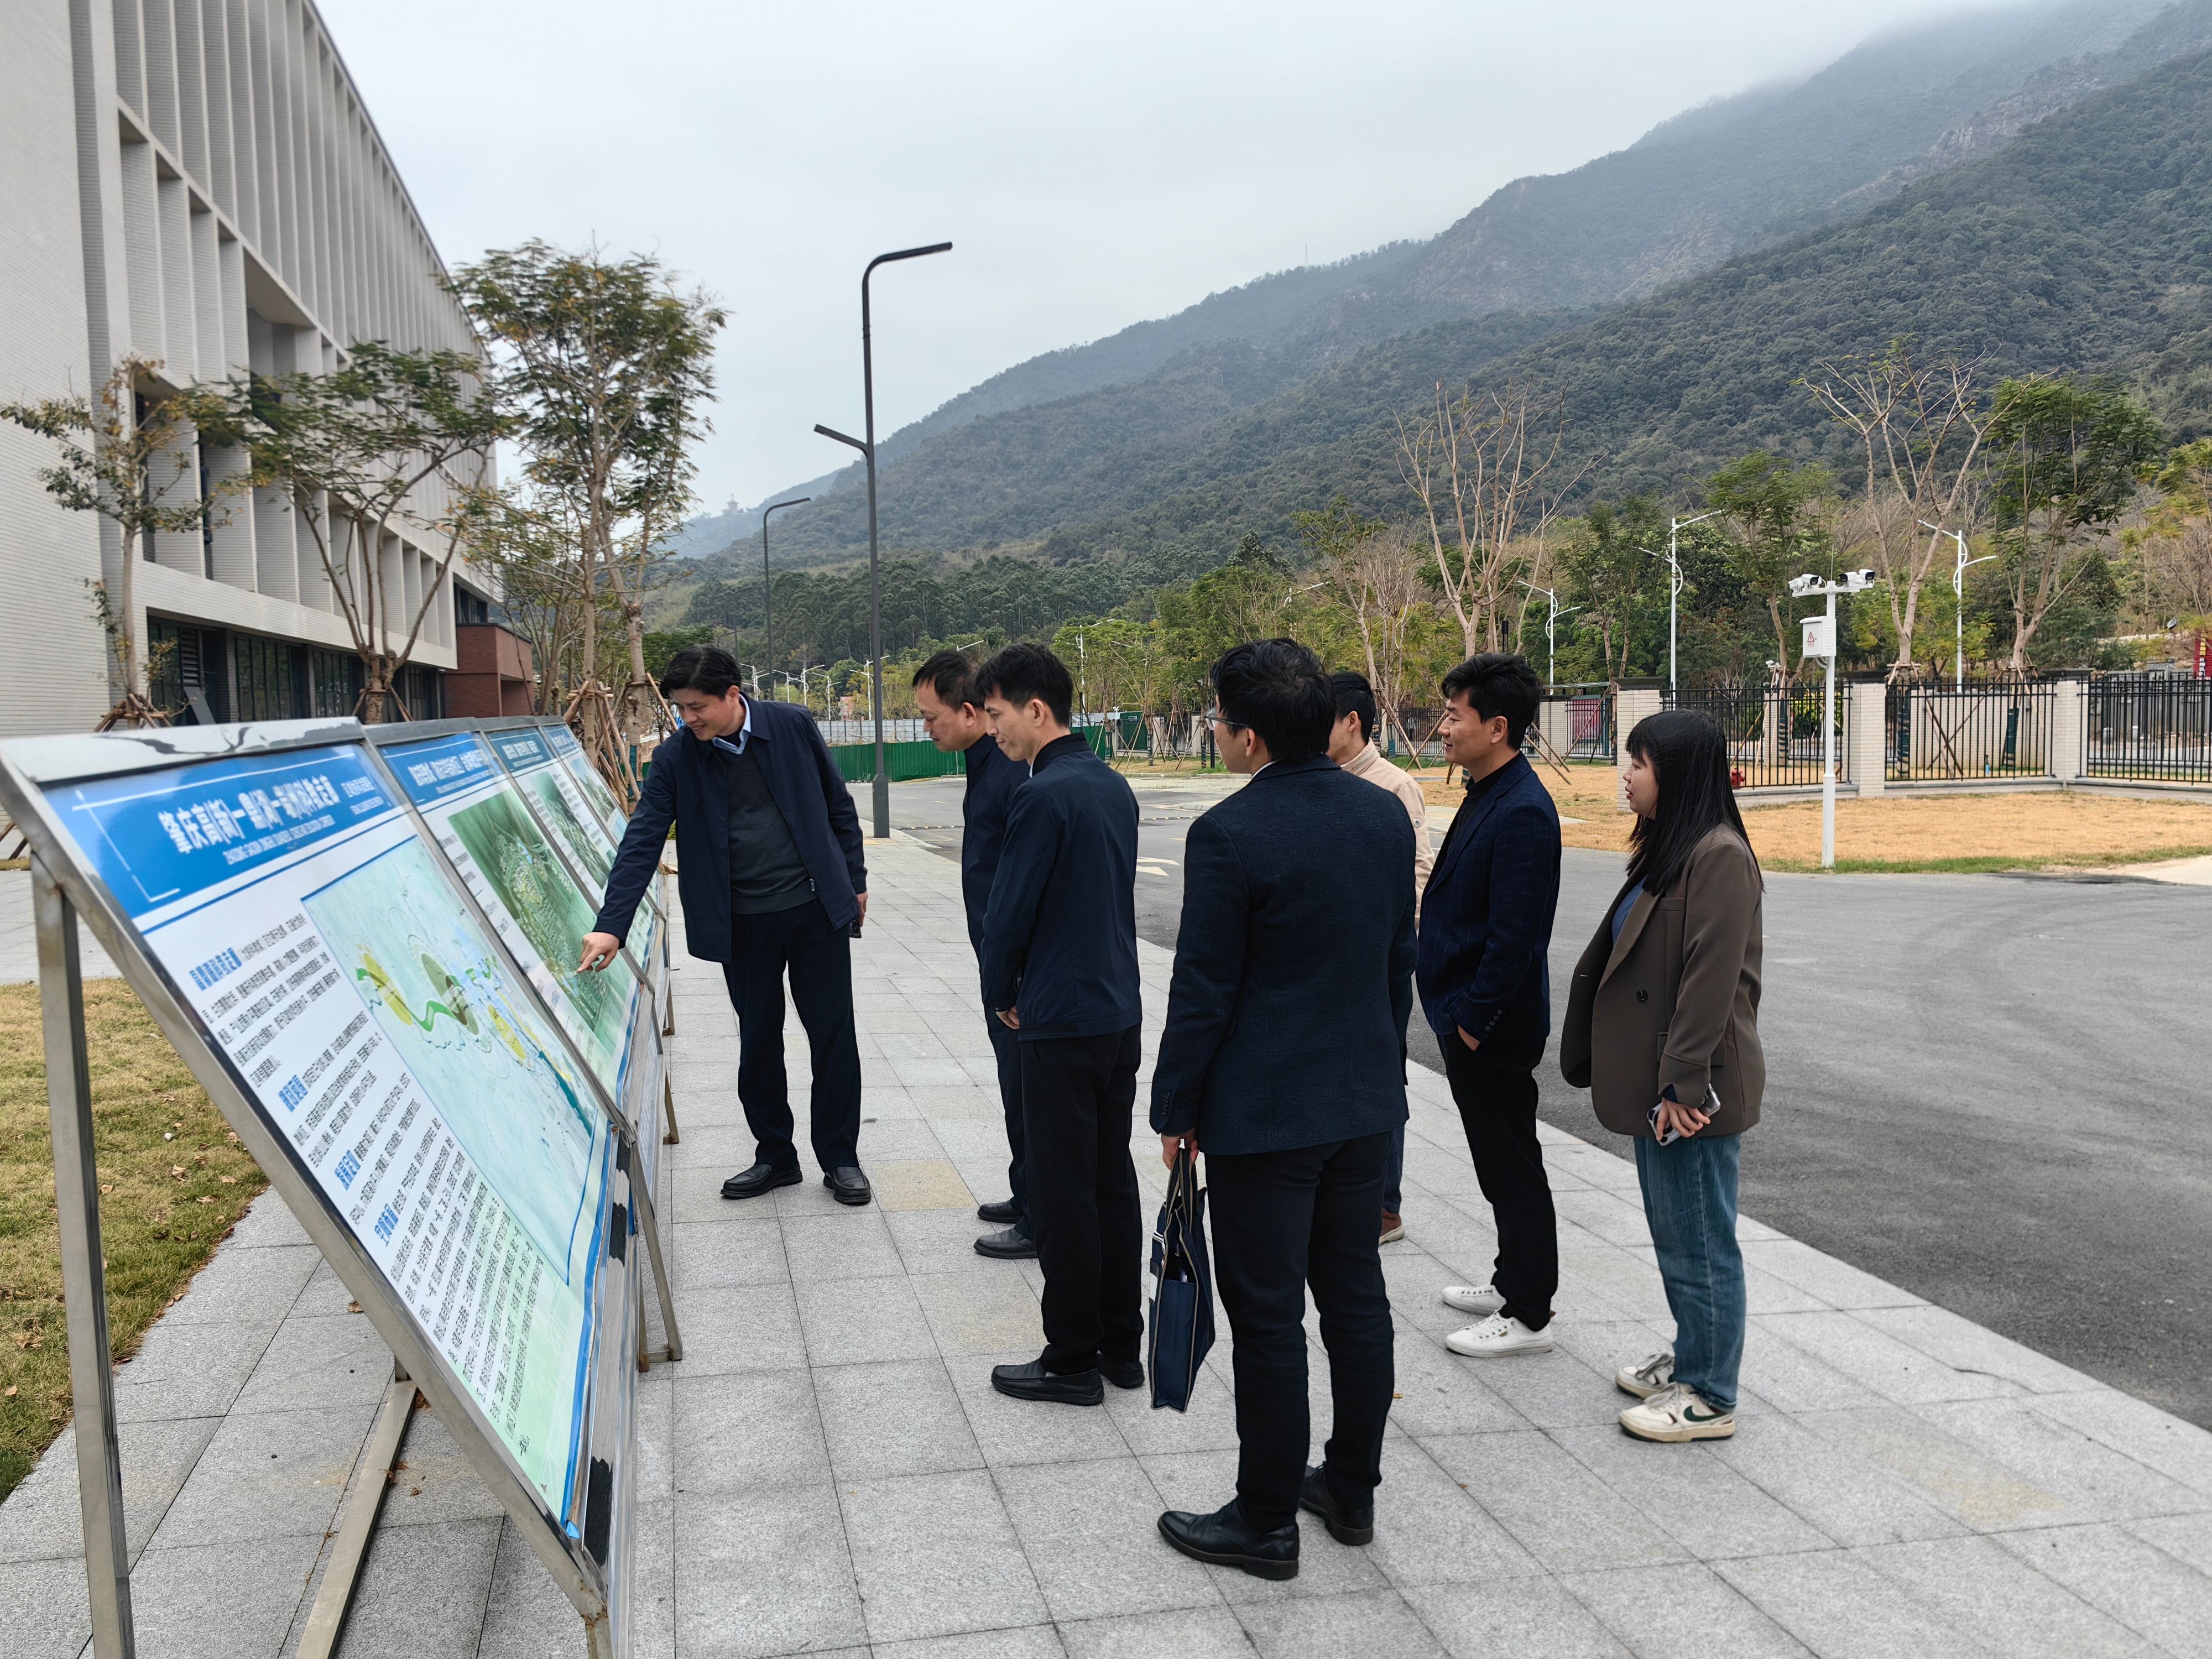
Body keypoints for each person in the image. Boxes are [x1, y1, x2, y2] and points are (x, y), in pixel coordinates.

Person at [1152, 639, 1415, 1581]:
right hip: (1363, 1102)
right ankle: (1351, 1487)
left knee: (1267, 1317)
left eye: (1219, 721)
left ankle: (1265, 1520)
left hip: (1266, 1115)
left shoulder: (1229, 833)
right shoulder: (1383, 816)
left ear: (1250, 736)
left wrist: (1175, 1107)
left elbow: (1204, 988)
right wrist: (1384, 1074)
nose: (1217, 732)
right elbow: (1396, 961)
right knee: (1355, 1296)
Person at [580, 645, 872, 1207]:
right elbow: (643, 839)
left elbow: (838, 806)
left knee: (833, 1036)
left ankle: (841, 1159)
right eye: (681, 709)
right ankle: (775, 1157)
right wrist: (612, 924)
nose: (688, 718)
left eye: (697, 707)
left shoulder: (792, 725)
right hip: (742, 924)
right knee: (758, 1041)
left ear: (733, 695)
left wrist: (854, 882)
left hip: (813, 912)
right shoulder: (676, 758)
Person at [1560, 709, 1764, 1442]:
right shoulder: (1673, 849)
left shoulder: (1719, 856)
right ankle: (1694, 1353)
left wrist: (1682, 1084)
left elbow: (1711, 980)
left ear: (1673, 774)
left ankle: (1709, 1394)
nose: (1626, 776)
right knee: (1679, 1233)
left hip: (1693, 1091)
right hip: (1662, 1083)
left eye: (1638, 763)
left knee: (1700, 1240)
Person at [975, 644, 1144, 1405]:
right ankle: (1121, 1345)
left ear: (1036, 709)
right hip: (1115, 1012)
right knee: (1111, 1182)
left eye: (998, 715)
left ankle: (1071, 1359)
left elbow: (1008, 915)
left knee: (1062, 1192)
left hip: (1059, 1019)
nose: (993, 730)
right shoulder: (1111, 785)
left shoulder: (1040, 796)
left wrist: (1002, 991)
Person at [1417, 653, 1563, 1357]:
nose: (1443, 728)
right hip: (1468, 1016)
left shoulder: (1524, 809)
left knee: (1511, 1165)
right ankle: (1511, 1279)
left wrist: (1472, 1023)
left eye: (1455, 716)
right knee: (1497, 1161)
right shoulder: (1489, 789)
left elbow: (1516, 939)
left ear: (1497, 727)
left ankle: (1528, 1314)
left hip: (1491, 1026)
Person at [912, 649, 1035, 1260]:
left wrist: (1009, 976)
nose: (925, 729)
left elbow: (1021, 887)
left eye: (931, 717)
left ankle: (1040, 1215)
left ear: (969, 712)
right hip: (999, 962)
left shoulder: (1010, 774)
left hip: (1019, 971)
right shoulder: (983, 764)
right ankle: (1026, 1190)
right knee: (1015, 1087)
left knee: (1028, 1091)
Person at [1327, 670, 1433, 1244]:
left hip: (1381, 959)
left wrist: (1387, 937)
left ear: (1352, 722)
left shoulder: (1395, 786)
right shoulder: (1323, 780)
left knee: (1384, 1073)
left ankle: (1386, 1207)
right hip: (1335, 960)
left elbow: (1419, 873)